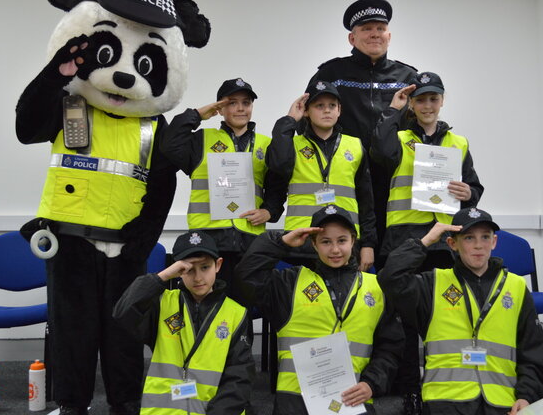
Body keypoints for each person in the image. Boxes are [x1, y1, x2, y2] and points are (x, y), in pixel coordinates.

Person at [371, 71, 484, 413]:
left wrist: (470, 193)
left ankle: (443, 383)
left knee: (443, 318)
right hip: (405, 239)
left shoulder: (458, 143)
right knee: (403, 322)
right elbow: (379, 153)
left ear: (442, 100)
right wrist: (393, 110)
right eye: (420, 99)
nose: (428, 105)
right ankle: (410, 391)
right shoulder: (398, 136)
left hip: (446, 242)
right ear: (412, 103)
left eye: (433, 98)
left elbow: (473, 189)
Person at [378, 208, 543, 415]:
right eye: (469, 238)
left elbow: (533, 352)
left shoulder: (515, 287)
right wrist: (424, 242)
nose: (478, 245)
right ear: (453, 244)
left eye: (485, 237)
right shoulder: (433, 284)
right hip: (445, 401)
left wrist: (527, 396)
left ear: (494, 242)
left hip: (502, 401)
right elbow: (390, 279)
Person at [235, 204, 404, 415]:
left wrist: (372, 384)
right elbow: (246, 277)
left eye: (342, 240)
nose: (335, 250)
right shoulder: (289, 283)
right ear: (313, 244)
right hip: (295, 405)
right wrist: (281, 242)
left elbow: (390, 348)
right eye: (325, 242)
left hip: (353, 402)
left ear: (353, 240)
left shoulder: (377, 287)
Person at [160, 78, 285, 300]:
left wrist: (269, 212)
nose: (240, 108)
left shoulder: (266, 145)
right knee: (210, 307)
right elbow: (169, 144)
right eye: (232, 103)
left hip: (249, 241)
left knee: (243, 310)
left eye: (246, 103)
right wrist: (198, 115)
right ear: (221, 107)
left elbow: (276, 187)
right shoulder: (201, 140)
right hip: (208, 240)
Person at [309, 0, 417, 249]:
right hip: (347, 181)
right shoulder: (331, 74)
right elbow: (310, 123)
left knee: (394, 258)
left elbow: (423, 124)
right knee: (348, 255)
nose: (375, 34)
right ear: (352, 38)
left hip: (394, 182)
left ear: (389, 35)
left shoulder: (408, 76)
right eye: (367, 29)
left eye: (380, 28)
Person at [114, 230, 254, 414]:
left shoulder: (236, 313)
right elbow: (122, 312)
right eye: (189, 269)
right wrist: (162, 276)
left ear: (218, 265)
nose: (198, 278)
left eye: (205, 267)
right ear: (178, 269)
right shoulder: (163, 303)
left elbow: (239, 376)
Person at [266, 80, 376, 271]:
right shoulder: (292, 145)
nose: (327, 110)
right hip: (302, 241)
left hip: (344, 243)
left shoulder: (355, 146)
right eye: (319, 106)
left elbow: (366, 200)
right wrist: (290, 120)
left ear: (339, 110)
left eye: (332, 105)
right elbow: (278, 165)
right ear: (306, 111)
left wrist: (368, 244)